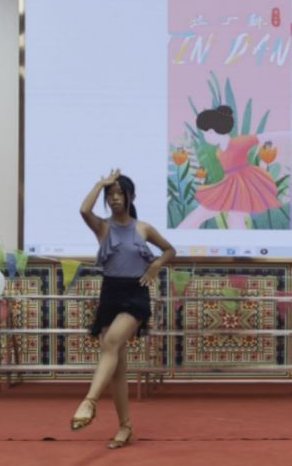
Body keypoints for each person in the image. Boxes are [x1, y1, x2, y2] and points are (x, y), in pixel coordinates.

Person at [70, 169, 175, 449]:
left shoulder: (143, 228)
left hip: (135, 293)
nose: (115, 198)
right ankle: (125, 426)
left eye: (120, 193)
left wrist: (155, 265)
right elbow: (84, 210)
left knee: (112, 342)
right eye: (111, 194)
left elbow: (169, 250)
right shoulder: (103, 227)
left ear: (131, 197)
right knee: (117, 366)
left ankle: (89, 401)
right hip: (110, 293)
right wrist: (99, 184)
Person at [175, 106, 281, 229]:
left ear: (212, 131)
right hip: (230, 184)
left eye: (205, 133)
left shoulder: (239, 142)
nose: (205, 137)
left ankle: (182, 231)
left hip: (242, 183)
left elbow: (266, 135)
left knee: (228, 215)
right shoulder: (220, 150)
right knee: (231, 217)